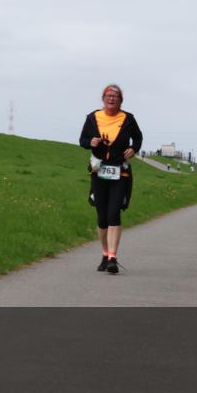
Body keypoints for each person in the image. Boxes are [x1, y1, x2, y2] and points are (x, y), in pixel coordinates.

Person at [79, 84, 143, 274]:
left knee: (114, 214)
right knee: (102, 217)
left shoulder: (128, 119)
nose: (111, 98)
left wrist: (134, 148)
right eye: (108, 95)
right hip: (99, 171)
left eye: (115, 96)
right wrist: (90, 142)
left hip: (120, 172)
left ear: (120, 100)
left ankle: (113, 258)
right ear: (103, 98)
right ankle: (105, 253)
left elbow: (138, 138)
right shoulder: (93, 118)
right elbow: (82, 140)